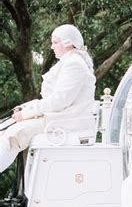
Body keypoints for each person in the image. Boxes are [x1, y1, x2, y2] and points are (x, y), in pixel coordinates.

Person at [0, 24, 96, 173]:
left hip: (68, 121)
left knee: (14, 134)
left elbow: (58, 101)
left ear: (68, 43)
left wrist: (25, 114)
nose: (52, 47)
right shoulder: (69, 62)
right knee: (4, 127)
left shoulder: (74, 65)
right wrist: (25, 108)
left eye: (55, 42)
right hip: (60, 116)